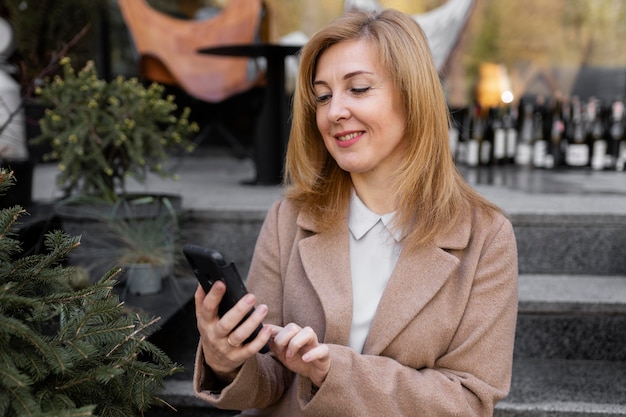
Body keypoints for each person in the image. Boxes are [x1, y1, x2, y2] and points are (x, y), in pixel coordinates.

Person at [194, 8, 518, 416]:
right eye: (323, 95)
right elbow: (266, 380)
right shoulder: (288, 218)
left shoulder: (486, 236)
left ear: (413, 95)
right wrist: (227, 360)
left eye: (359, 89)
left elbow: (469, 401)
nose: (334, 113)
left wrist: (334, 371)